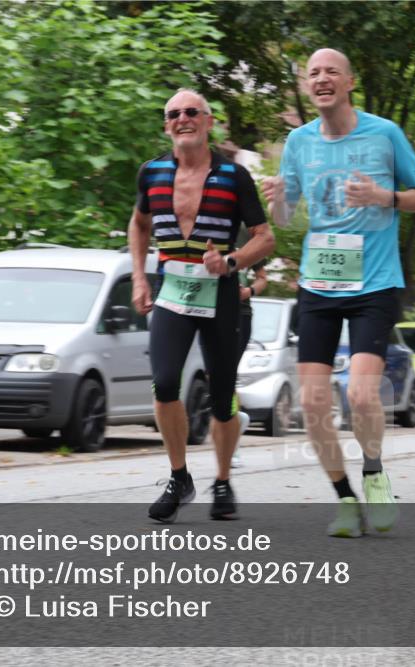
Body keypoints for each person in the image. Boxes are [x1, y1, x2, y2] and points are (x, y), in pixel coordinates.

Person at [261, 48, 415, 537]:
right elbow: (285, 218)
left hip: (375, 283)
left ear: (349, 82)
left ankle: (375, 473)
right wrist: (278, 203)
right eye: (313, 73)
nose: (321, 79)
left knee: (362, 397)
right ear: (306, 86)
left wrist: (387, 198)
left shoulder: (384, 134)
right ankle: (344, 499)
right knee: (315, 404)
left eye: (330, 72)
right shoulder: (298, 141)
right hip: (319, 283)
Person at [129, 88, 275, 523]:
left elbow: (265, 238)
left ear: (208, 121)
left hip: (221, 295)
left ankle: (224, 480)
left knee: (222, 395)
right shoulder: (151, 173)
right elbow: (138, 223)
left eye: (192, 112)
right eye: (174, 113)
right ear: (166, 124)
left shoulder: (233, 176)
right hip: (172, 291)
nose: (183, 118)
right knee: (165, 381)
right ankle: (179, 477)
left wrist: (229, 261)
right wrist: (139, 276)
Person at [231, 245, 268, 467]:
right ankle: (235, 419)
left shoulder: (250, 234)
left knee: (226, 373)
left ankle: (232, 440)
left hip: (239, 314)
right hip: (205, 309)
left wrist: (249, 292)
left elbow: (262, 278)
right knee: (211, 373)